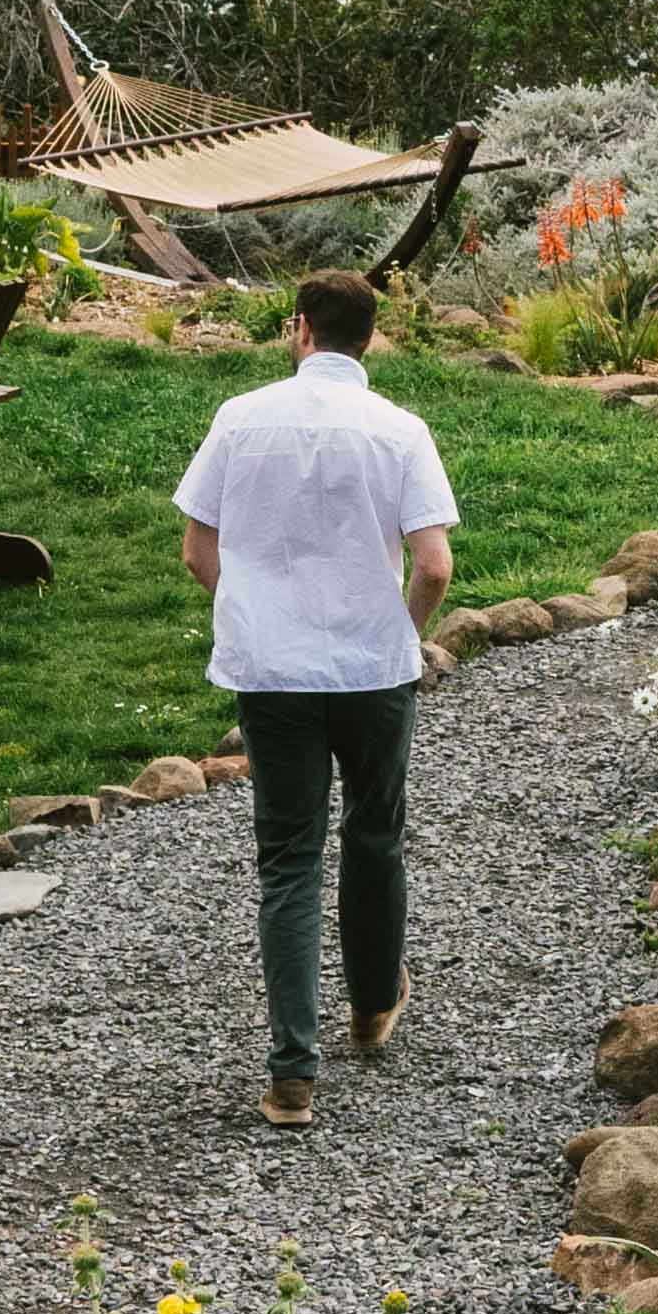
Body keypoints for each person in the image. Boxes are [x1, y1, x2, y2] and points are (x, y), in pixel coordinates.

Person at [170, 267, 462, 1130]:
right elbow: (436, 565)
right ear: (367, 337)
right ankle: (373, 1009)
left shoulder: (239, 418)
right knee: (376, 833)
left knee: (288, 861)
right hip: (373, 672)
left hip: (273, 674)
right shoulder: (401, 430)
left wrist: (253, 614)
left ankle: (292, 1074)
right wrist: (401, 633)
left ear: (300, 329)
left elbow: (196, 550)